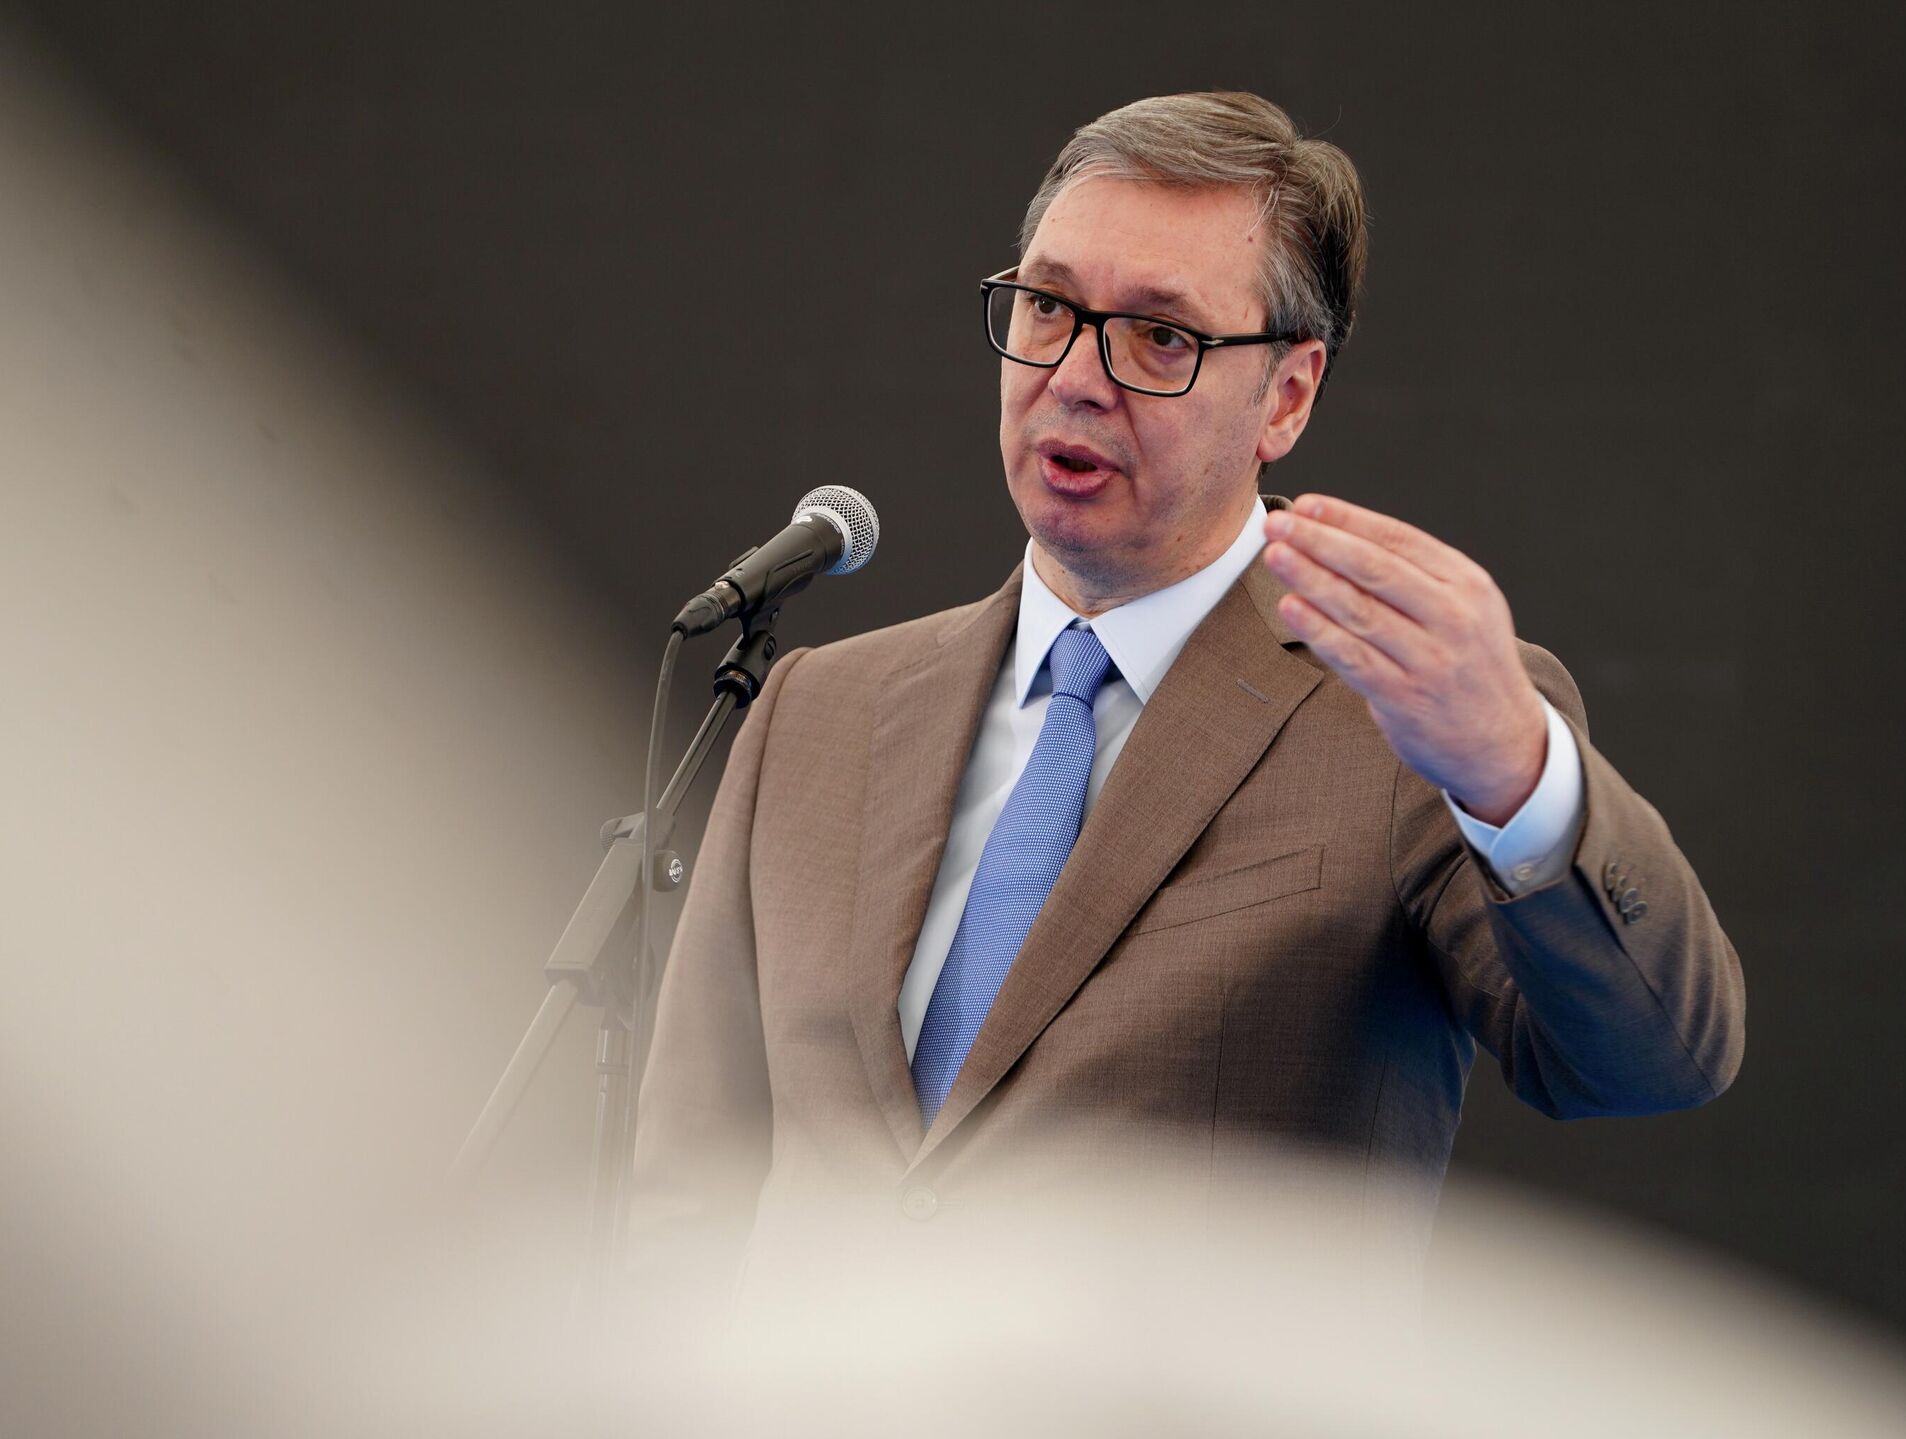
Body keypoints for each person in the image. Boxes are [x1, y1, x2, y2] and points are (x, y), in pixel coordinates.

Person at [627, 91, 1744, 1327]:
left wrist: (1516, 776)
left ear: (1287, 396)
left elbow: (1649, 1057)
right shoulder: (814, 713)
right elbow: (690, 1195)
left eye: (1160, 337)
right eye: (1048, 308)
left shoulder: (1411, 717)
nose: (1074, 378)